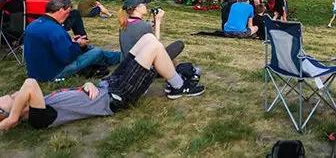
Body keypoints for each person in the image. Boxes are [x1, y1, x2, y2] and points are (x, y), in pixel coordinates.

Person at [0, 34, 205, 132]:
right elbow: (29, 83)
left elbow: (74, 97)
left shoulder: (45, 102)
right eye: (11, 99)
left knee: (148, 38)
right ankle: (179, 86)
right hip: (117, 96)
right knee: (154, 49)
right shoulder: (39, 118)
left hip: (107, 84)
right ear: (16, 112)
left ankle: (165, 69)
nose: (14, 94)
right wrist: (11, 119)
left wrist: (87, 85)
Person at [24, 0, 121, 82]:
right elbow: (67, 58)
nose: (68, 15)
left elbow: (48, 46)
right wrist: (77, 45)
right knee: (97, 52)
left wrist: (71, 42)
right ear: (61, 10)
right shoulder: (55, 29)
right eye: (67, 12)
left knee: (88, 48)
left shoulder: (34, 24)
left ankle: (117, 56)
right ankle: (121, 57)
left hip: (35, 72)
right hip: (52, 74)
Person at [118, 0, 184, 61]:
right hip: (139, 66)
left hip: (125, 63)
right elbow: (156, 46)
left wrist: (150, 22)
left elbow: (137, 29)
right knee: (179, 45)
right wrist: (158, 22)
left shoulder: (124, 23)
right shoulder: (144, 26)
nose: (146, 5)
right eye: (144, 4)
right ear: (137, 8)